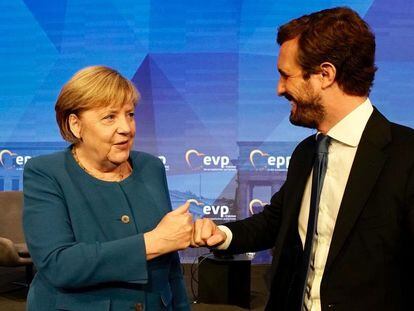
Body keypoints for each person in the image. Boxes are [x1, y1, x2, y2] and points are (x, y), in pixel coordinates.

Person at [192, 7, 414, 311]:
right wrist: (223, 234)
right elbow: (277, 221)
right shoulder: (306, 153)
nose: (279, 88)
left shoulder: (406, 155)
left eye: (286, 75)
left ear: (325, 74)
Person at [23, 66, 191, 311]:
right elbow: (59, 264)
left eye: (130, 114)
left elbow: (170, 261)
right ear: (75, 125)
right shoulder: (45, 173)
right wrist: (152, 242)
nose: (126, 127)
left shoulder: (151, 167)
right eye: (110, 117)